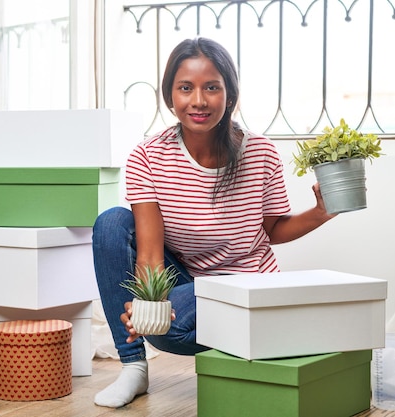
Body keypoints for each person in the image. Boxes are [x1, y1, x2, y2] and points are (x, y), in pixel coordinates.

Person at [92, 37, 336, 408]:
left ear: (230, 94)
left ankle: (245, 336)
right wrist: (149, 304)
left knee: (170, 322)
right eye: (185, 88)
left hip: (247, 286)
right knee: (111, 223)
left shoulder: (260, 152)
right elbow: (150, 252)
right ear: (170, 95)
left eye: (212, 87)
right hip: (185, 285)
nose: (199, 101)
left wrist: (322, 211)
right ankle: (133, 367)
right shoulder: (148, 156)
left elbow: (273, 230)